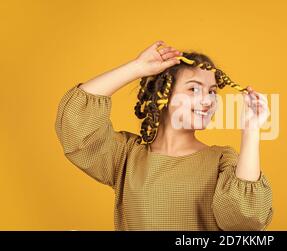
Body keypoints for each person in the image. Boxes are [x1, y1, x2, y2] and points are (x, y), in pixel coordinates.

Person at [55, 40, 273, 230]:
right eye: (194, 89)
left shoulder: (222, 161)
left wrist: (251, 130)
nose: (207, 100)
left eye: (212, 91)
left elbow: (246, 221)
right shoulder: (127, 156)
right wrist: (137, 68)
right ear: (164, 95)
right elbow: (76, 125)